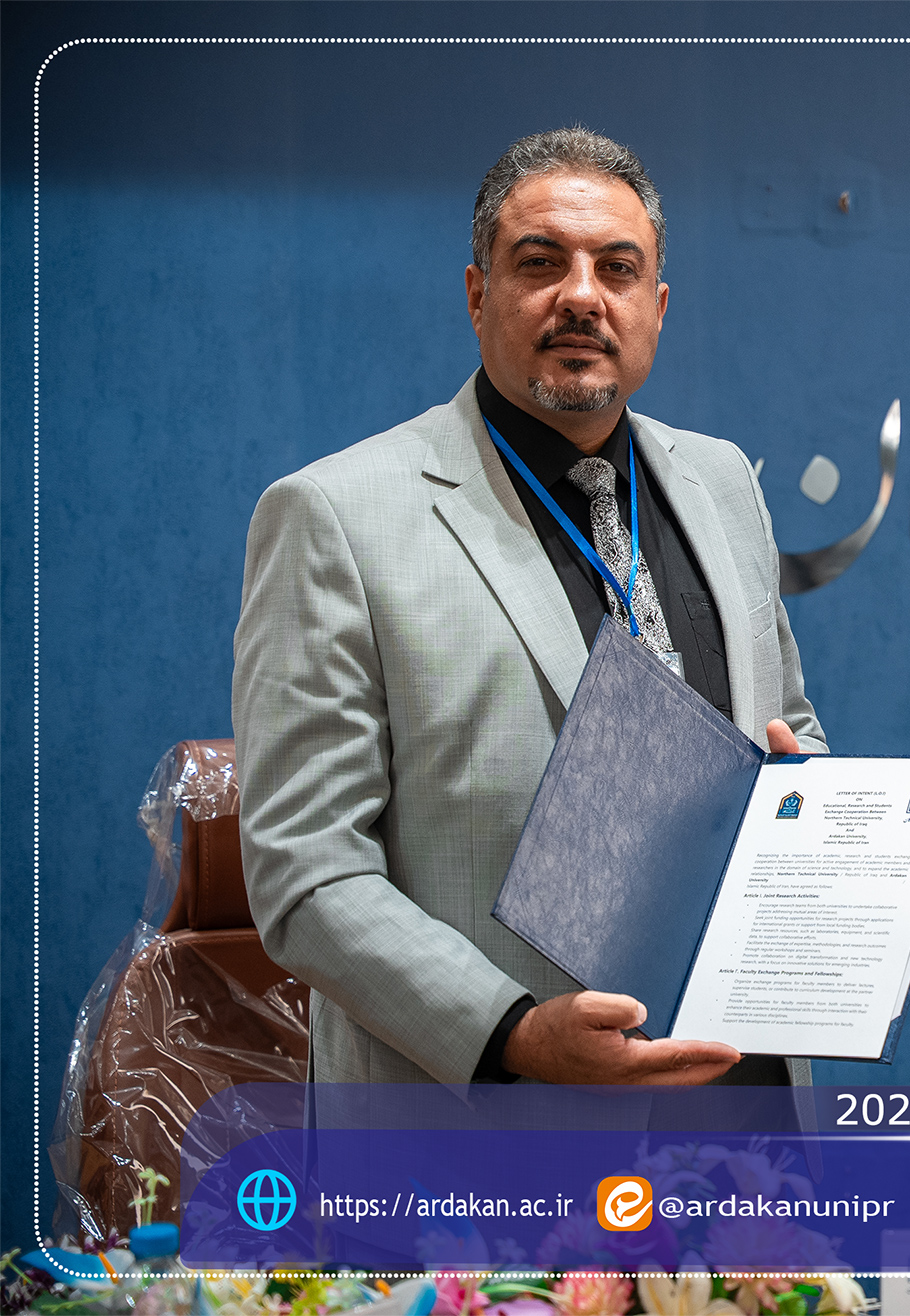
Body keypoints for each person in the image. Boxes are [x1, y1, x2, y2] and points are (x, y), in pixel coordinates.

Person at [233, 127, 825, 1089]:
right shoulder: (336, 515)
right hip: (498, 1115)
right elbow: (307, 870)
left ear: (656, 307)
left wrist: (815, 806)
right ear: (478, 295)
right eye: (541, 263)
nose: (582, 296)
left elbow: (791, 720)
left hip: (743, 1091)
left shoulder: (721, 481)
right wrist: (510, 1034)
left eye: (617, 269)